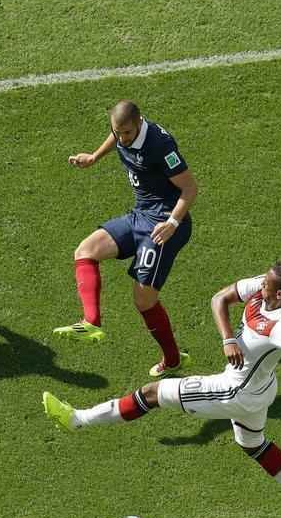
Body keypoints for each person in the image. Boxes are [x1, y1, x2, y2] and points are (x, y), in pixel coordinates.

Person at [44, 260, 281, 518]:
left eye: (266, 285)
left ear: (280, 296)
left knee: (152, 393)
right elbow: (219, 298)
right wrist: (228, 338)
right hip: (260, 390)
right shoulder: (264, 286)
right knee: (254, 445)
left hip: (234, 391)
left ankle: (77, 420)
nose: (259, 285)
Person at [58, 100, 198, 376]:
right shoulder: (123, 131)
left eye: (127, 134)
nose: (122, 138)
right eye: (118, 132)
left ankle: (173, 359)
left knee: (143, 301)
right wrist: (94, 157)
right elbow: (115, 136)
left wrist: (172, 222)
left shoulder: (160, 145)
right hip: (140, 215)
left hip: (164, 224)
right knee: (85, 250)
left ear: (140, 123)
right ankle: (91, 322)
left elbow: (190, 189)